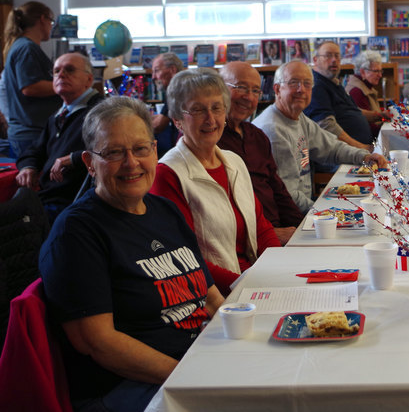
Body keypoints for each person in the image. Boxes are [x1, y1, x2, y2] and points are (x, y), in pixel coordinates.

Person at [38, 96, 225, 411]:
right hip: (128, 387)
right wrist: (190, 377)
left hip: (192, 361)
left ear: (155, 151)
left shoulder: (165, 211)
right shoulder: (77, 232)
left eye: (140, 149)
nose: (131, 163)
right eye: (113, 152)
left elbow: (210, 297)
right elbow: (99, 343)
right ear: (89, 163)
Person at [150, 69, 281, 295]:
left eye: (217, 108)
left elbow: (261, 228)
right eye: (198, 110)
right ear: (177, 120)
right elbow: (185, 258)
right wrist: (247, 286)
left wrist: (280, 269)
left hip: (255, 281)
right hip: (219, 295)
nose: (210, 119)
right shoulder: (168, 173)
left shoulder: (234, 162)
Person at [252, 60, 389, 213]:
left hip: (301, 207)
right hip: (289, 218)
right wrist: (322, 213)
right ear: (277, 89)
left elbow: (332, 147)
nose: (301, 89)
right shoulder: (273, 131)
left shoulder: (298, 117)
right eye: (293, 82)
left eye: (307, 84)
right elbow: (288, 197)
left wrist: (364, 157)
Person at [218, 61, 304, 245]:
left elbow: (279, 192)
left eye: (256, 91)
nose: (249, 97)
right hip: (247, 243)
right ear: (219, 89)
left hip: (277, 233)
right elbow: (217, 212)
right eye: (241, 87)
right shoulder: (210, 141)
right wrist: (268, 235)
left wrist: (303, 229)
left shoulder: (256, 136)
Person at [15, 53, 104, 221]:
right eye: (56, 71)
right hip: (47, 198)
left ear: (89, 79)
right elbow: (35, 150)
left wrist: (73, 158)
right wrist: (28, 167)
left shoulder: (102, 112)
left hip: (74, 203)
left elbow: (111, 152)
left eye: (70, 70)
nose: (61, 75)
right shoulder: (58, 115)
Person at [2, 1, 62, 158]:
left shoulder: (24, 46)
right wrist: (65, 86)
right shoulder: (26, 48)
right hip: (30, 135)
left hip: (33, 132)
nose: (51, 26)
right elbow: (30, 87)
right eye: (51, 22)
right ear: (42, 19)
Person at [304, 41, 373, 151]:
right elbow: (327, 126)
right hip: (343, 154)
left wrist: (380, 115)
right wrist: (362, 148)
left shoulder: (333, 82)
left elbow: (352, 110)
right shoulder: (316, 86)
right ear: (315, 60)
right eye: (328, 56)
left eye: (337, 56)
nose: (334, 60)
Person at [346, 50, 388, 138]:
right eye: (376, 71)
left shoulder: (365, 86)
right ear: (362, 72)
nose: (380, 75)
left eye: (381, 71)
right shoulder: (357, 91)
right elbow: (367, 127)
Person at [150, 52, 183, 157]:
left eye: (156, 71)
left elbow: (158, 125)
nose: (153, 77)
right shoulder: (177, 86)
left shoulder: (177, 90)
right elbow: (162, 116)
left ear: (172, 70)